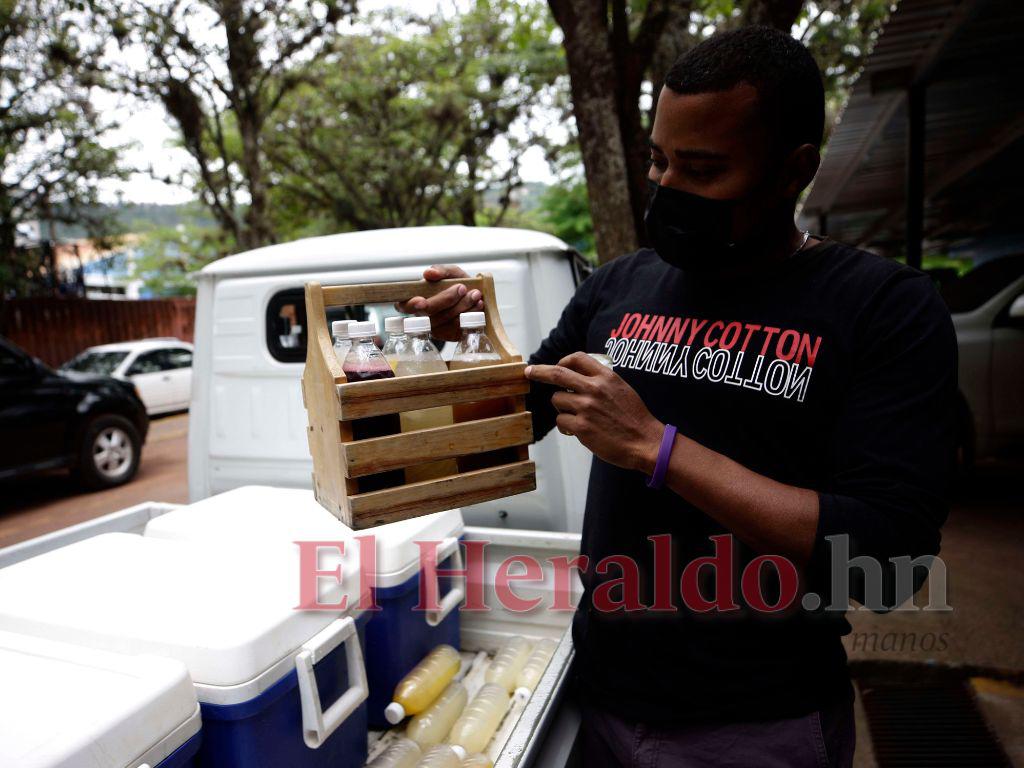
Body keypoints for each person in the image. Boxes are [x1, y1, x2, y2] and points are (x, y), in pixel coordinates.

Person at [398, 26, 956, 768]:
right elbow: (503, 427)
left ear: (795, 170)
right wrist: (461, 342)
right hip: (600, 697)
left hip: (755, 725)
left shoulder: (882, 307)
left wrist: (658, 449)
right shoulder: (619, 286)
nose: (667, 188)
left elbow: (891, 550)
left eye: (702, 168)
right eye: (659, 160)